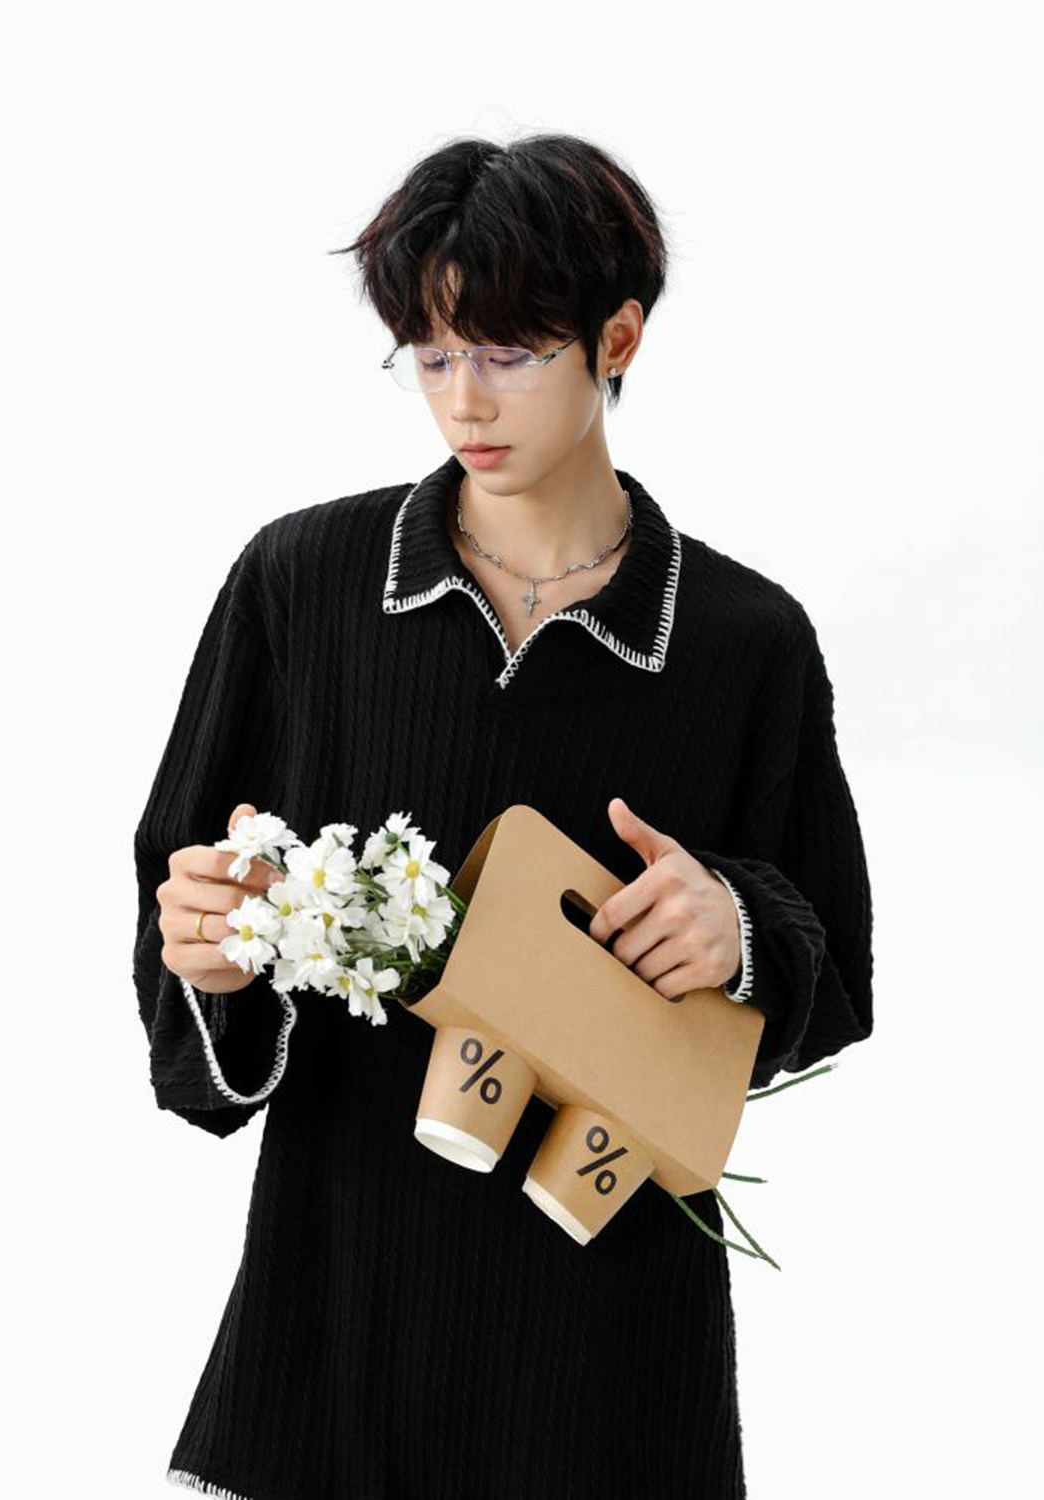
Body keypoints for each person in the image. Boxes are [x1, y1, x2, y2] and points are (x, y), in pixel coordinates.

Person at [133, 131, 874, 1500]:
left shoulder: (742, 639)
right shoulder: (303, 586)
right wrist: (211, 956)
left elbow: (836, 978)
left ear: (618, 338)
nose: (464, 399)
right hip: (339, 1315)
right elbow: (174, 920)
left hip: (610, 1347)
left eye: (511, 352)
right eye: (430, 355)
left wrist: (738, 928)